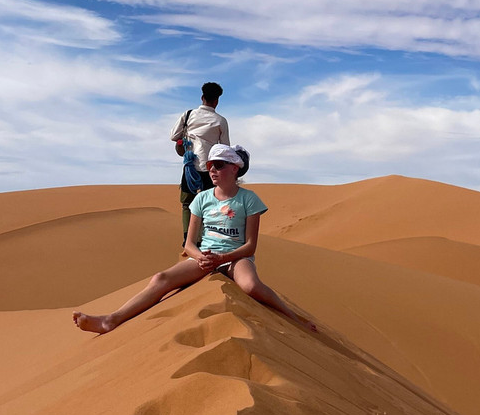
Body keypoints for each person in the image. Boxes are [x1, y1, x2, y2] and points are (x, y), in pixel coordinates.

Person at [73, 143, 314, 334]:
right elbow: (189, 243)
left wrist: (223, 257)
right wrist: (201, 257)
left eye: (219, 165)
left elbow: (250, 245)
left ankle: (294, 318)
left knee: (250, 286)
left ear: (234, 168)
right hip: (205, 257)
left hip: (236, 258)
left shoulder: (249, 200)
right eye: (210, 165)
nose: (212, 170)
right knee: (161, 278)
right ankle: (111, 320)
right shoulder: (201, 199)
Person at [170, 82, 230, 243]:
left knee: (187, 203)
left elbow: (173, 135)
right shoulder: (221, 121)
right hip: (211, 168)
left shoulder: (189, 115)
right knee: (210, 204)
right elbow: (225, 148)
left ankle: (186, 239)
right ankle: (205, 239)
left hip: (190, 166)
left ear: (202, 97)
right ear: (217, 101)